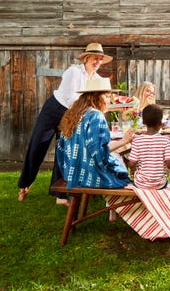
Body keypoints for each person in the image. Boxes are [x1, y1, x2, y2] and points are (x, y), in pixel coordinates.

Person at [17, 42, 112, 202]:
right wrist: (91, 110)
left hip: (74, 114)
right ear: (87, 58)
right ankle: (25, 183)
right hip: (55, 109)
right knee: (37, 146)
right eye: (95, 58)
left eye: (100, 59)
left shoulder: (96, 78)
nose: (97, 62)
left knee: (64, 149)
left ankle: (59, 195)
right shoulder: (74, 72)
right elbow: (70, 99)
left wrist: (111, 103)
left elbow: (101, 97)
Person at [56, 77, 134, 192]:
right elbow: (99, 152)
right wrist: (124, 141)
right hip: (90, 176)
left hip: (72, 174)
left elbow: (62, 148)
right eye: (107, 97)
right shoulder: (96, 116)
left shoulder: (75, 114)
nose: (109, 101)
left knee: (117, 159)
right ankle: (117, 208)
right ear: (95, 97)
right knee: (123, 175)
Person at [127, 104, 170, 188]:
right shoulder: (166, 140)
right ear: (160, 123)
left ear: (143, 122)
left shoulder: (137, 140)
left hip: (140, 184)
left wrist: (134, 168)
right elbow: (169, 164)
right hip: (159, 185)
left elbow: (131, 164)